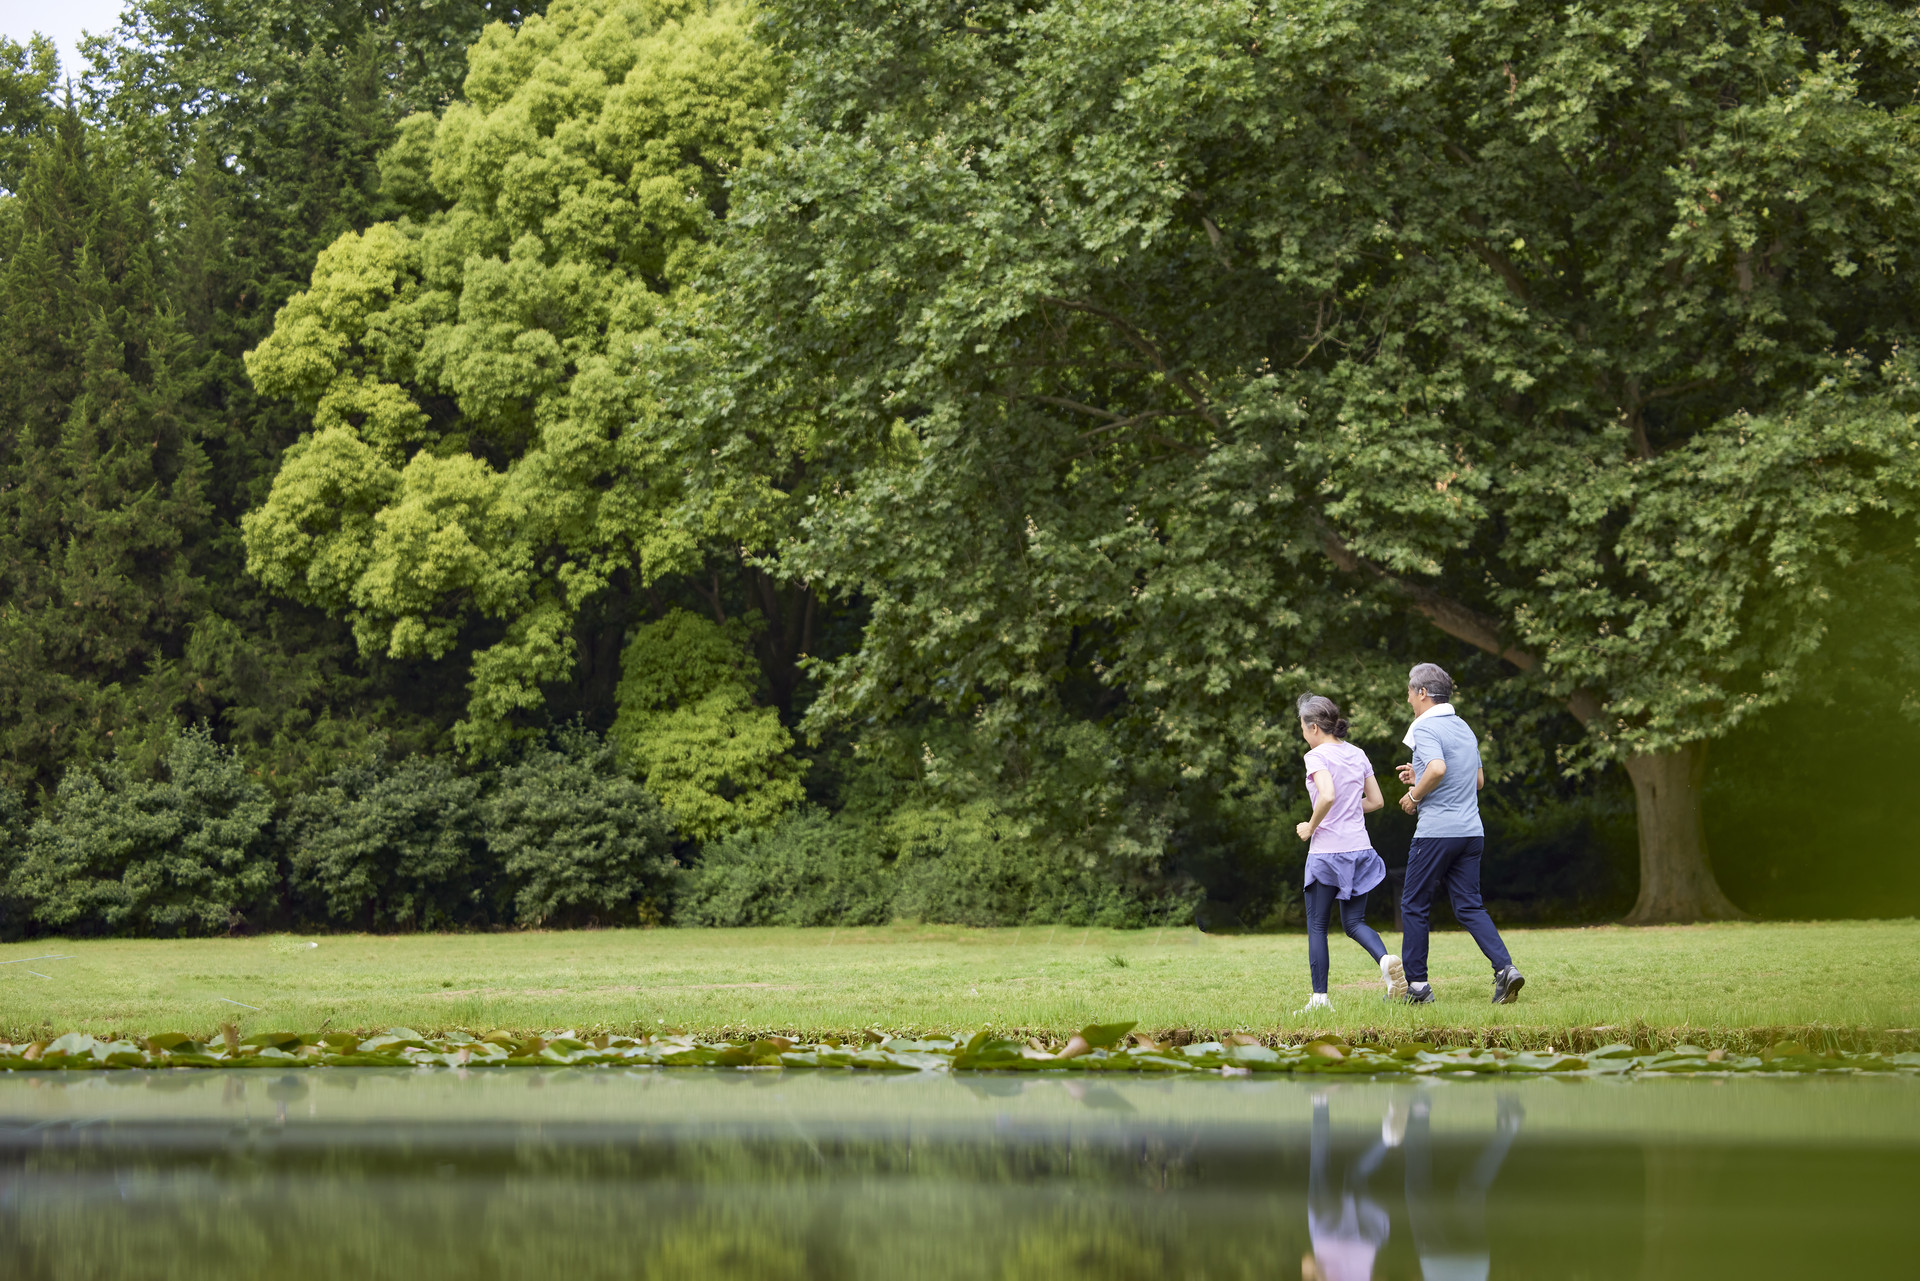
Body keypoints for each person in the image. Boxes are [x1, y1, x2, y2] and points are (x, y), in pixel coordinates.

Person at [1393, 663, 1525, 1005]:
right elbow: (1476, 781)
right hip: (1471, 833)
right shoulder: (1463, 727)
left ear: (1422, 693)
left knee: (1414, 904)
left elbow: (1438, 768)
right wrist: (1417, 773)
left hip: (1436, 833)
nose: (1408, 698)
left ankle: (1418, 988)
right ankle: (1505, 969)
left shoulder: (1425, 727)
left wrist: (1414, 795)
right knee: (1469, 906)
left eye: (1410, 691)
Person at [1293, 693, 1407, 1014]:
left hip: (1328, 853)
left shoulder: (1315, 756)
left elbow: (1326, 795)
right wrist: (1345, 809)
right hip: (1360, 850)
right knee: (1354, 922)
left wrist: (1311, 826)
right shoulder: (1357, 754)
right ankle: (1386, 961)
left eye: (1302, 726)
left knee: (1317, 925)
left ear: (1314, 727)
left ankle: (1319, 1000)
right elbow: (1376, 801)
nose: (1302, 732)